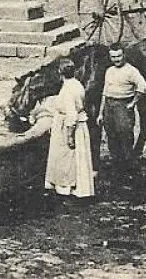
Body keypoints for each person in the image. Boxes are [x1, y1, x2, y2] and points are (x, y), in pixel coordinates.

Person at [44, 59, 95, 199]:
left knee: (66, 158)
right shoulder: (77, 84)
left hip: (69, 126)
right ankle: (78, 187)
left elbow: (71, 116)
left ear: (60, 73)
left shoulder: (67, 89)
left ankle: (66, 189)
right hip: (79, 124)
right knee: (77, 158)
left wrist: (69, 136)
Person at [98, 46, 146, 177]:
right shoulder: (109, 70)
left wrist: (132, 103)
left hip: (123, 105)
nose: (116, 60)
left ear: (124, 55)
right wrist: (100, 112)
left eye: (119, 56)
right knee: (111, 137)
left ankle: (130, 172)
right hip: (109, 106)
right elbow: (105, 92)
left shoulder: (131, 71)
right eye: (113, 57)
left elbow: (143, 87)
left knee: (125, 137)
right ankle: (117, 170)